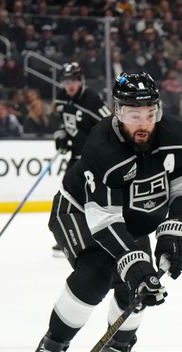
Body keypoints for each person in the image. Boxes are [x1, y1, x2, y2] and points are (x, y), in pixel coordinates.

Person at [28, 72, 182, 352]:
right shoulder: (102, 148)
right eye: (134, 114)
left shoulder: (177, 136)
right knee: (99, 269)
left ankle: (116, 349)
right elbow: (104, 219)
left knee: (141, 280)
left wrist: (175, 231)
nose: (143, 122)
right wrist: (133, 261)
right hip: (79, 212)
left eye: (149, 113)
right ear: (117, 111)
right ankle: (53, 344)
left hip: (129, 217)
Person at [50, 61, 111, 256]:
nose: (70, 85)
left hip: (92, 159)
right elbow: (61, 123)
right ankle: (72, 236)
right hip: (76, 156)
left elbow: (110, 125)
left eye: (73, 80)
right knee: (69, 197)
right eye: (66, 81)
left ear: (81, 80)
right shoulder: (61, 98)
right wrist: (62, 137)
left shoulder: (91, 99)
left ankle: (95, 236)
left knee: (85, 198)